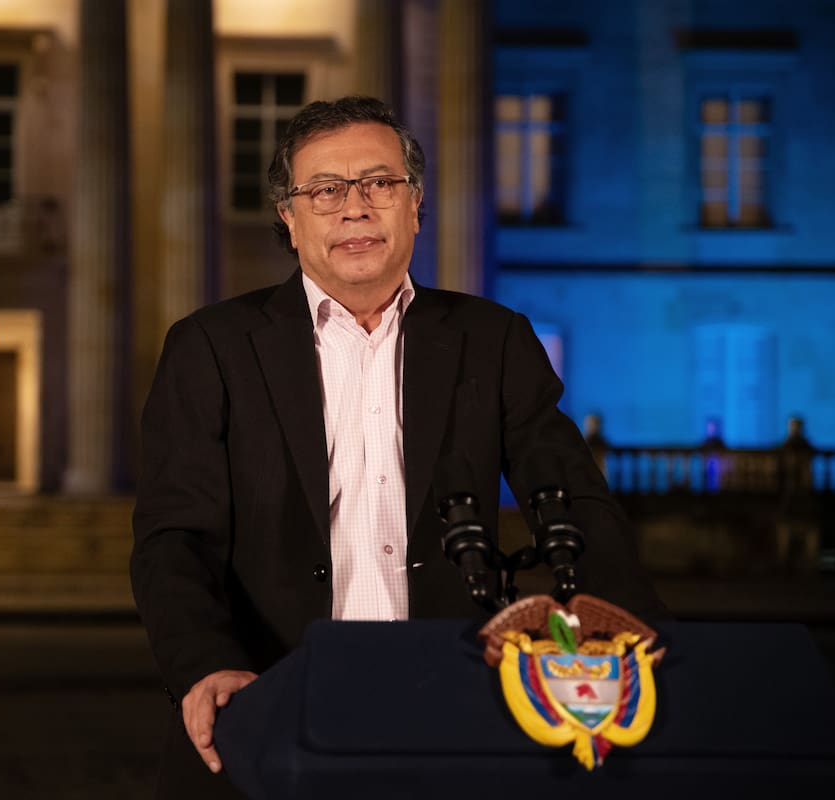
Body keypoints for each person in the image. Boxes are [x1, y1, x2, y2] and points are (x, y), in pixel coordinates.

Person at [131, 96, 664, 798]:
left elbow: (576, 506)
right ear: (288, 219)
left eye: (379, 183)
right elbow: (173, 539)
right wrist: (206, 666)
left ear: (415, 205)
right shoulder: (211, 347)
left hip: (453, 712)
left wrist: (619, 646)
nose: (355, 208)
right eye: (324, 190)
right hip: (270, 703)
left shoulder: (492, 339)